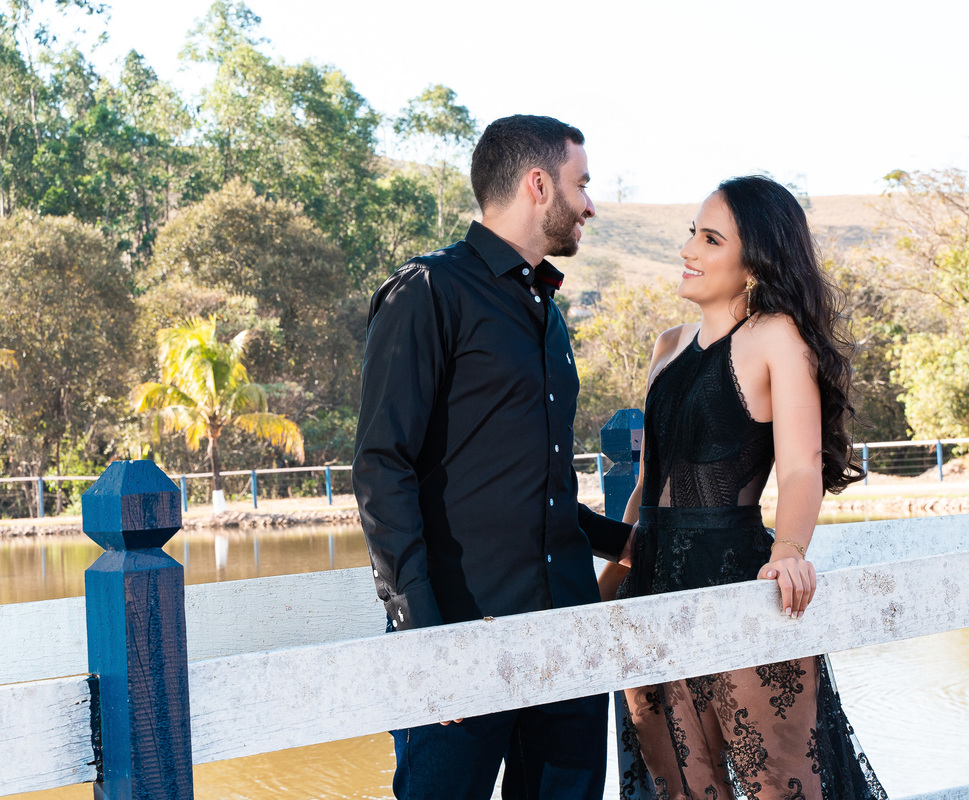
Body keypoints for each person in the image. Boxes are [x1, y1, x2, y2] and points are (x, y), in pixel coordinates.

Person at [352, 114, 634, 800]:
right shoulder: (427, 292)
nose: (591, 203)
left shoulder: (547, 310)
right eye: (582, 183)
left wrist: (635, 542)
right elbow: (381, 468)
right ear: (539, 184)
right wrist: (427, 635)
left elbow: (547, 494)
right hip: (458, 635)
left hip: (565, 638)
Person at [597, 175, 888, 799]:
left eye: (710, 239)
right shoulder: (666, 347)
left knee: (783, 788)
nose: (689, 250)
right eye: (690, 235)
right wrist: (615, 573)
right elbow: (651, 481)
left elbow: (802, 466)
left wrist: (790, 552)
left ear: (754, 259)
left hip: (739, 581)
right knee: (680, 790)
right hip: (649, 592)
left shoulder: (774, 337)